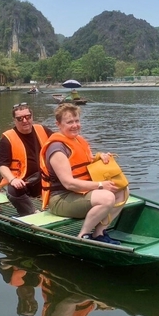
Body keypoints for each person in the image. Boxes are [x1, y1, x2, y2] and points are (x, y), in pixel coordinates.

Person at [39, 103, 127, 244]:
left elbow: (87, 164)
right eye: (69, 122)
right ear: (58, 124)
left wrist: (100, 157)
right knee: (107, 198)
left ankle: (99, 233)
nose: (75, 125)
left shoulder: (78, 140)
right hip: (61, 198)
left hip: (80, 193)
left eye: (77, 121)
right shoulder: (57, 148)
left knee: (122, 189)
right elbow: (69, 183)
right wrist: (100, 185)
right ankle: (83, 236)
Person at [0, 103, 53, 216]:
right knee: (13, 191)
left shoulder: (43, 129)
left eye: (28, 117)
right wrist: (12, 180)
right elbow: (2, 165)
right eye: (20, 118)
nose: (25, 121)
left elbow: (60, 142)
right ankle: (31, 214)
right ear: (14, 120)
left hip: (45, 177)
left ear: (32, 116)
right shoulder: (7, 138)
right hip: (22, 181)